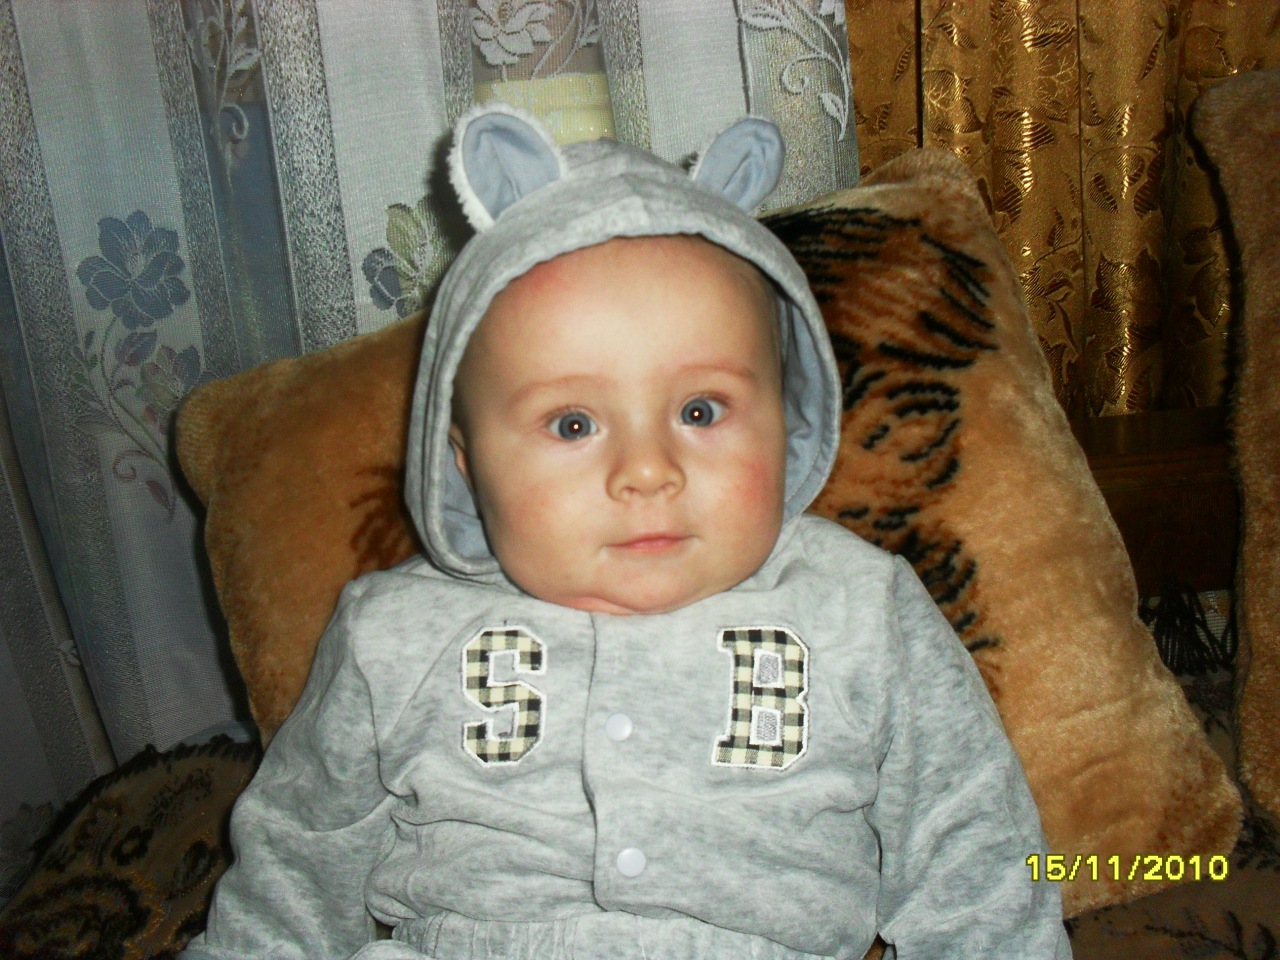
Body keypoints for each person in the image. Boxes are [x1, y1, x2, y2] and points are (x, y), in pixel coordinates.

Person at [181, 105, 1071, 960]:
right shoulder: (391, 634)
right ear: (465, 464)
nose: (647, 471)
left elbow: (974, 845)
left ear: (789, 418)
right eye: (572, 424)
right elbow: (298, 858)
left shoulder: (859, 611)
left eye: (701, 410)